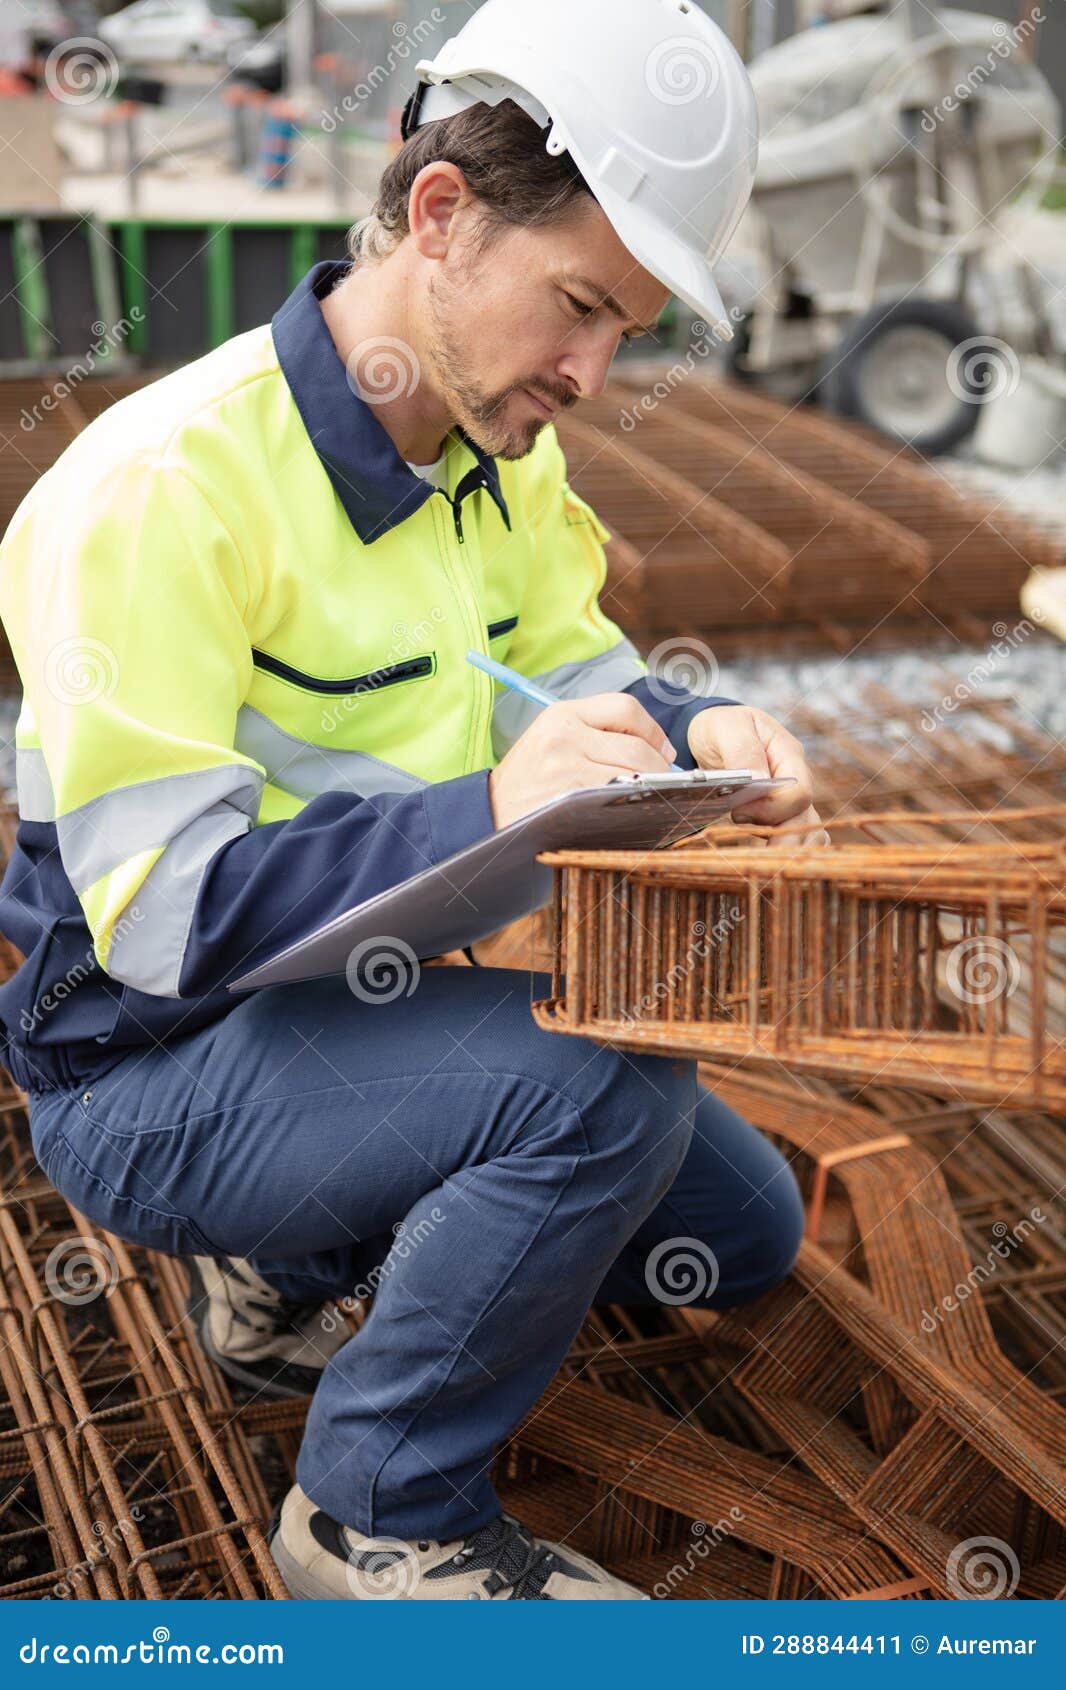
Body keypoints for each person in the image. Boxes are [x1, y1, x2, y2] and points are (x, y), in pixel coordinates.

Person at [0, 0, 813, 1600]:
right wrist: (486, 810)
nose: (590, 371)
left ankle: (288, 1257)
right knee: (599, 1091)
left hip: (346, 1008)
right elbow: (162, 923)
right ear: (438, 215)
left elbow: (577, 665)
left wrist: (695, 713)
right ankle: (381, 1509)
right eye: (578, 304)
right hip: (140, 1067)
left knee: (736, 1236)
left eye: (626, 330)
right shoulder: (158, 491)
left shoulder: (500, 458)